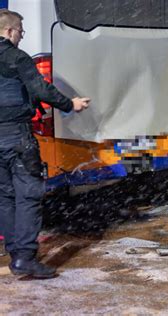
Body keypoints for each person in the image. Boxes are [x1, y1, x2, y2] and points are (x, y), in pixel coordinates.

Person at [0, 9, 90, 278]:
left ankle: (16, 253)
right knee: (28, 195)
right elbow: (41, 89)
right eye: (20, 32)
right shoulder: (16, 57)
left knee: (5, 197)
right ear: (9, 32)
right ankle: (24, 258)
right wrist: (70, 104)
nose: (20, 37)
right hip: (17, 136)